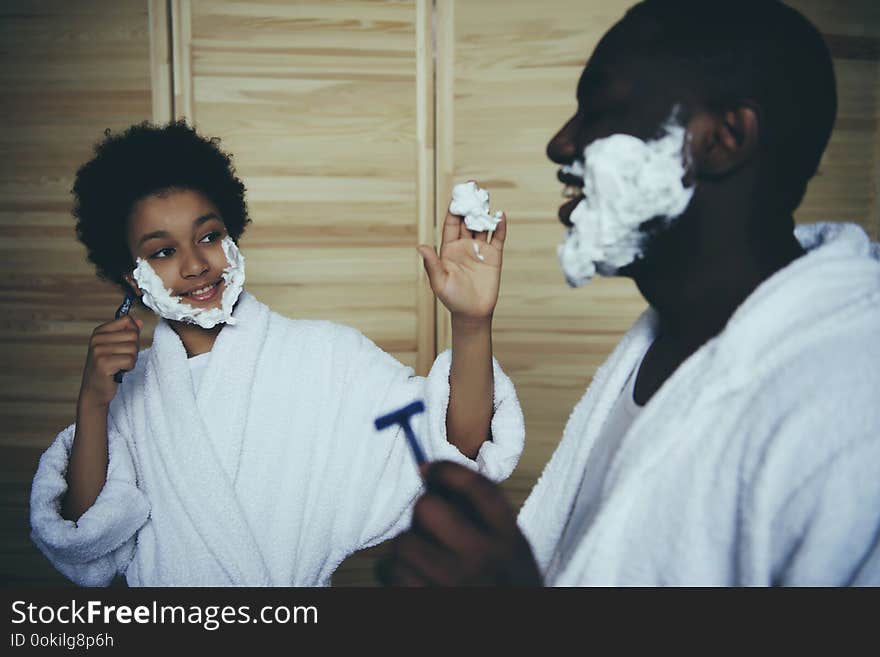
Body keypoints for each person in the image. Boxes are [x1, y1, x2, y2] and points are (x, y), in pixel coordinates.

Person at [376, 0, 880, 586]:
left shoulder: (854, 405)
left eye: (599, 111)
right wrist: (470, 324)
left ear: (723, 139)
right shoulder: (671, 339)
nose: (561, 145)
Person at [29, 121, 525, 586]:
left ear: (232, 237)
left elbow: (456, 445)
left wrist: (472, 322)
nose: (197, 264)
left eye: (209, 236)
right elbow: (86, 544)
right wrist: (93, 404)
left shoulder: (328, 358)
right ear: (129, 276)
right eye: (163, 251)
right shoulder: (131, 396)